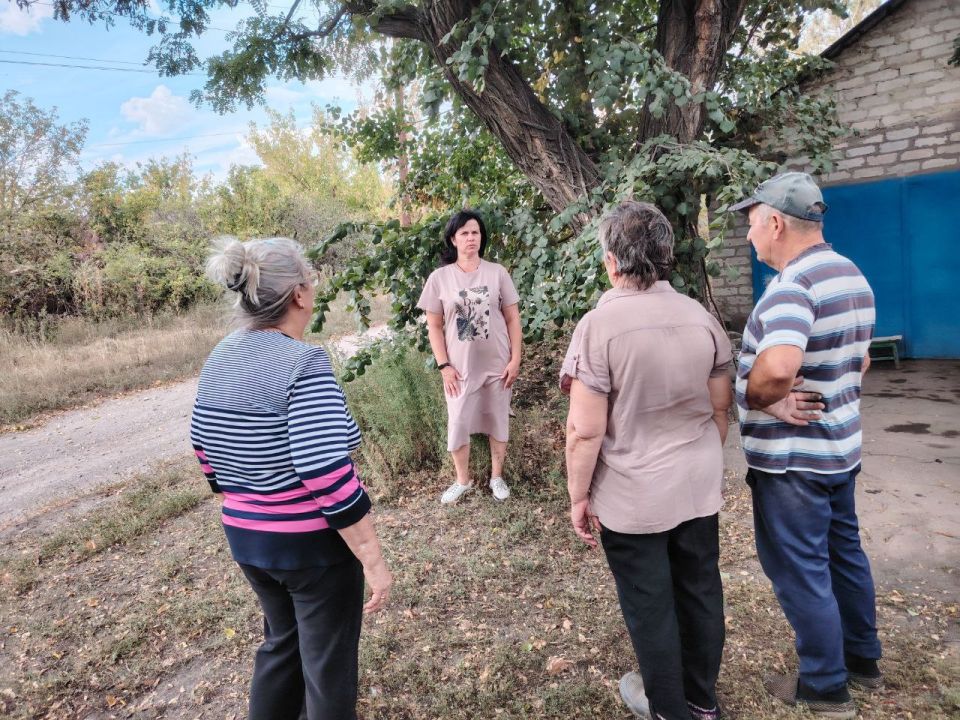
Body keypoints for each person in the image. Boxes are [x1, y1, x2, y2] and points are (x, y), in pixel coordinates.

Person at [190, 237, 392, 720]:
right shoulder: (304, 362)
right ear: (299, 294)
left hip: (247, 537)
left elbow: (203, 441)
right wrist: (372, 556)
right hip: (311, 549)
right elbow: (324, 469)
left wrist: (246, 494)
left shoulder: (222, 355)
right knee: (326, 666)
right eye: (311, 280)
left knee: (281, 644)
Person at [561, 200, 734, 720]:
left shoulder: (598, 327)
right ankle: (702, 700)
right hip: (697, 485)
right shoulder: (701, 317)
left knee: (649, 604)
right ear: (666, 255)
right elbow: (720, 407)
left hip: (632, 497)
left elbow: (584, 430)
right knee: (700, 588)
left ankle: (667, 709)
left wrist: (578, 495)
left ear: (612, 261)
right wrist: (700, 458)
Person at [730, 171, 882, 719]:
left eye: (751, 224)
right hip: (841, 449)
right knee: (845, 555)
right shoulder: (851, 275)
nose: (749, 236)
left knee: (800, 567)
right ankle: (863, 657)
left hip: (794, 463)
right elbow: (859, 359)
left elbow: (778, 367)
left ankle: (823, 683)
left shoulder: (793, 287)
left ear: (775, 222)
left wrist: (763, 399)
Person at [417, 210, 522, 505]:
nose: (470, 238)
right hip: (460, 369)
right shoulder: (440, 278)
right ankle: (462, 481)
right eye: (464, 233)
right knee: (458, 420)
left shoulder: (497, 273)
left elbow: (513, 319)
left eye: (475, 232)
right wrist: (444, 365)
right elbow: (434, 327)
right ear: (453, 239)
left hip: (498, 365)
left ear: (481, 237)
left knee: (498, 418)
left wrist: (515, 360)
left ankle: (497, 477)